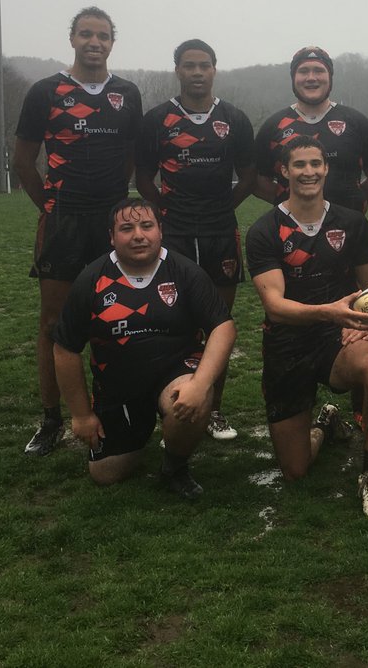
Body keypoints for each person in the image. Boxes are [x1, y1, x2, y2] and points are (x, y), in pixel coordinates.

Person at [14, 6, 142, 456]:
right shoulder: (45, 91)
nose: (94, 42)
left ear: (112, 42)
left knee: (117, 316)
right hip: (63, 222)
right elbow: (23, 163)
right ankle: (51, 419)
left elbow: (130, 158)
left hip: (112, 223)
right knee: (54, 323)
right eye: (86, 34)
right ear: (72, 39)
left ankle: (110, 409)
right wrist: (51, 207)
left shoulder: (127, 93)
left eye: (103, 35)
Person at [245, 136, 368, 518]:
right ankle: (326, 425)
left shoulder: (352, 222)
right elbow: (275, 307)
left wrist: (365, 324)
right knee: (295, 470)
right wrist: (329, 311)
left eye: (315, 164)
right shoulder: (265, 230)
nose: (308, 172)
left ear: (326, 169)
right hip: (287, 342)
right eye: (299, 165)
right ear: (284, 171)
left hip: (338, 336)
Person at [53, 199, 236, 500]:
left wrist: (201, 384)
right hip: (118, 384)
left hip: (175, 371)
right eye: (127, 228)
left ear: (160, 231)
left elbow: (224, 327)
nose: (138, 235)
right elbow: (64, 349)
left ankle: (174, 466)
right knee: (106, 474)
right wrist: (81, 415)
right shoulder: (91, 280)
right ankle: (137, 432)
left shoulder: (184, 271)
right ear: (111, 237)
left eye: (146, 226)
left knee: (192, 399)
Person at [135, 39, 256, 442]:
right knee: (173, 322)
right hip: (177, 234)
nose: (198, 72)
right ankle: (171, 401)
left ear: (215, 70)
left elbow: (250, 177)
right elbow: (143, 179)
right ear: (178, 71)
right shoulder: (157, 120)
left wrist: (221, 206)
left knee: (219, 321)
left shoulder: (234, 119)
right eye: (189, 65)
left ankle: (214, 409)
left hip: (221, 232)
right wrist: (166, 211)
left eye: (205, 65)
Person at [253, 45, 368, 212]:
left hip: (349, 231)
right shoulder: (273, 126)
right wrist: (286, 202)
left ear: (329, 77)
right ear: (293, 78)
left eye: (318, 70)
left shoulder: (356, 122)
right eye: (303, 71)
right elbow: (257, 181)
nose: (311, 77)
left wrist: (354, 202)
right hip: (291, 232)